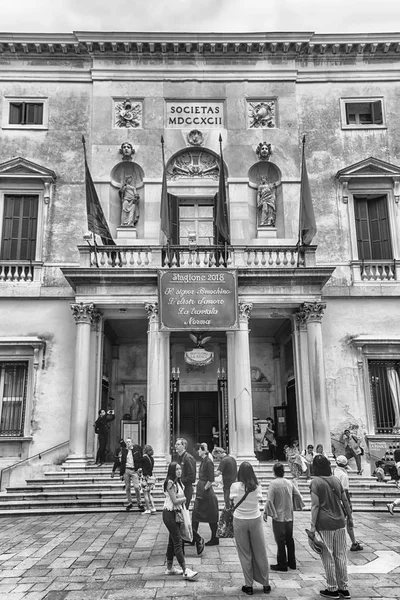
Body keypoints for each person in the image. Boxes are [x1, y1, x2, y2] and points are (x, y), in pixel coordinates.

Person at [309, 454, 353, 599]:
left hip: (324, 523)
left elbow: (315, 505)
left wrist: (312, 527)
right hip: (340, 521)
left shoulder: (315, 482)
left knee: (327, 556)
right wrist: (350, 517)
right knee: (341, 556)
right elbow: (345, 499)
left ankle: (332, 588)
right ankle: (344, 588)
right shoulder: (336, 480)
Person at [230, 461, 271, 595]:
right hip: (255, 519)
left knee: (244, 552)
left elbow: (231, 501)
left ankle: (249, 585)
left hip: (240, 519)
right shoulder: (257, 487)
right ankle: (266, 583)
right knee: (260, 551)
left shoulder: (235, 486)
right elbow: (259, 500)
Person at [264, 462, 304, 572]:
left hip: (278, 516)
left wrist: (266, 513)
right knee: (289, 539)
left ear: (274, 472)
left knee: (280, 540)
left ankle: (282, 563)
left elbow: (269, 500)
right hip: (289, 515)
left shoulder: (273, 484)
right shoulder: (289, 483)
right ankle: (292, 562)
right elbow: (298, 495)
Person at [162, 461, 198, 580]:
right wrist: (184, 498)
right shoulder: (170, 482)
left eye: (180, 469)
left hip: (176, 513)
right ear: (172, 470)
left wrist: (181, 498)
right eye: (176, 469)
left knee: (172, 541)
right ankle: (184, 569)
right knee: (178, 541)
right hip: (170, 513)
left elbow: (178, 499)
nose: (179, 471)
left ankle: (170, 568)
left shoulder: (178, 482)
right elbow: (175, 500)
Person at [333, 455, 363, 551]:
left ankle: (338, 542)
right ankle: (354, 543)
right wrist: (349, 506)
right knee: (349, 521)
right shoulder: (344, 475)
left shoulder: (334, 471)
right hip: (342, 501)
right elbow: (345, 492)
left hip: (334, 500)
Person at [192, 443, 219, 548]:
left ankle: (214, 538)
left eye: (198, 450)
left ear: (202, 450)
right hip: (202, 491)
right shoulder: (204, 460)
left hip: (206, 493)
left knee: (211, 516)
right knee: (196, 514)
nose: (198, 452)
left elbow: (211, 479)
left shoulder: (208, 461)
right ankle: (193, 537)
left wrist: (204, 489)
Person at [120, 437, 145, 512]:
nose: (128, 443)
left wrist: (140, 468)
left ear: (132, 442)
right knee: (127, 487)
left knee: (136, 487)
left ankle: (139, 502)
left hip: (134, 470)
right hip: (126, 470)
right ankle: (129, 502)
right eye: (127, 442)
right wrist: (121, 473)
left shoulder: (136, 450)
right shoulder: (124, 451)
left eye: (129, 442)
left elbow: (140, 459)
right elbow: (122, 462)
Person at [175, 438, 197, 509]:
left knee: (184, 510)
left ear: (184, 446)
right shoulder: (178, 457)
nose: (176, 446)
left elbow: (192, 477)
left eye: (178, 444)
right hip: (179, 488)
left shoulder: (188, 458)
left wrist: (180, 481)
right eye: (176, 444)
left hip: (186, 489)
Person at [141, 444, 156, 515]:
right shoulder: (152, 459)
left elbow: (140, 465)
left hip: (145, 478)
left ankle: (148, 509)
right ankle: (153, 507)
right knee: (150, 494)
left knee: (145, 494)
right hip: (151, 477)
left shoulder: (144, 458)